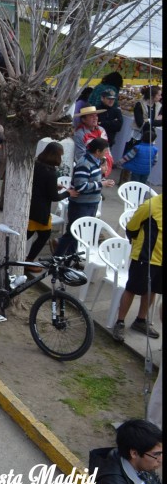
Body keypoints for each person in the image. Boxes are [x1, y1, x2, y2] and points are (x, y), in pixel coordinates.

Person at [109, 194, 162, 342]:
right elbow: (132, 227)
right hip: (144, 257)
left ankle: (140, 320)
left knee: (152, 290)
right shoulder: (150, 205)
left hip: (161, 260)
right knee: (132, 289)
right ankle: (120, 322)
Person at [54, 137, 114, 257]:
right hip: (81, 205)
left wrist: (102, 179)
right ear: (97, 151)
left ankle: (69, 258)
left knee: (80, 233)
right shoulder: (84, 164)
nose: (106, 154)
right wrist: (102, 184)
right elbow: (81, 186)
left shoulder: (96, 161)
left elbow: (91, 179)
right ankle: (58, 256)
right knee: (74, 232)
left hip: (91, 203)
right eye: (105, 151)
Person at [25, 142, 72, 265]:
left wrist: (54, 186)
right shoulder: (51, 172)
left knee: (29, 233)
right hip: (40, 211)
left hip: (30, 206)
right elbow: (54, 197)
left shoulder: (36, 164)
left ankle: (26, 258)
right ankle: (29, 260)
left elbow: (39, 184)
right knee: (43, 235)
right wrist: (68, 193)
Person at [74, 105, 114, 175]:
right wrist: (97, 168)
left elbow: (106, 149)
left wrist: (106, 162)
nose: (95, 118)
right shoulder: (80, 134)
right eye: (91, 116)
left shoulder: (101, 130)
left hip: (104, 166)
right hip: (88, 169)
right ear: (83, 120)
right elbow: (80, 155)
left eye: (96, 116)